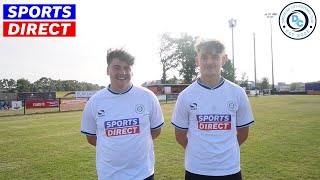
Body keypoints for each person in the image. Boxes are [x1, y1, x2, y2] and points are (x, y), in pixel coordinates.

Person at [171, 39, 254, 180]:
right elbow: (179, 136)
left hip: (230, 169)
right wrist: (199, 153)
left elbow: (243, 133)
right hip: (196, 169)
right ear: (197, 61)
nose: (209, 62)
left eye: (215, 57)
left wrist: (224, 152)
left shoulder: (237, 93)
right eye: (204, 57)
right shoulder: (186, 95)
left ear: (223, 59)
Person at [81, 49, 164, 180]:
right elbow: (91, 138)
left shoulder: (147, 97)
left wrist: (134, 145)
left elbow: (156, 130)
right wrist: (115, 145)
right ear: (107, 70)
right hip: (109, 175)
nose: (122, 72)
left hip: (143, 173)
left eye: (127, 68)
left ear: (132, 71)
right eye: (117, 67)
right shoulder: (95, 102)